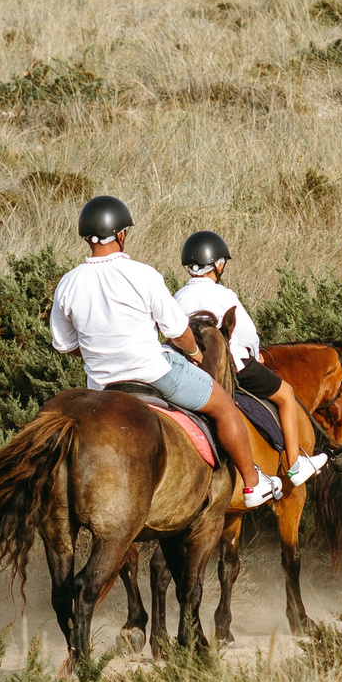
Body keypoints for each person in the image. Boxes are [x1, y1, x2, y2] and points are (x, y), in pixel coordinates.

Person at [47, 197, 281, 509]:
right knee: (225, 406)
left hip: (101, 386)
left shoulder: (68, 283)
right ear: (121, 234)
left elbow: (64, 345)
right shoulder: (143, 274)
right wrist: (196, 352)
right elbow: (177, 331)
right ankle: (253, 484)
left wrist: (98, 353)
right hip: (155, 373)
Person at [174, 230, 330, 486]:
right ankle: (294, 464)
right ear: (219, 265)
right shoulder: (224, 296)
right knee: (286, 395)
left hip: (191, 370)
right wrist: (255, 353)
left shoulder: (178, 296)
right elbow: (248, 335)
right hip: (233, 369)